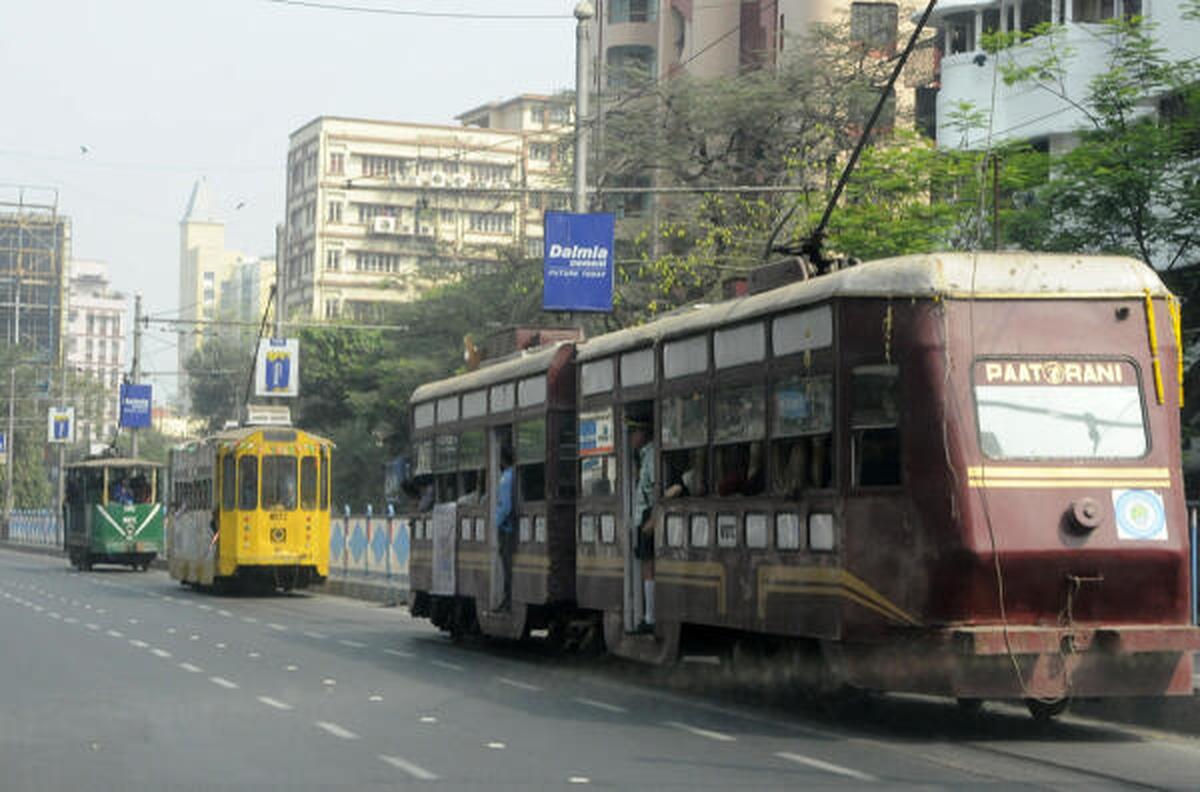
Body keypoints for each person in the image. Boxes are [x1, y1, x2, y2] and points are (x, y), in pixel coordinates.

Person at [630, 419, 656, 632]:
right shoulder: (643, 456)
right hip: (642, 517)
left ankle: (650, 617)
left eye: (634, 432)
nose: (631, 438)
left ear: (643, 433)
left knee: (649, 567)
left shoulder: (652, 455)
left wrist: (654, 518)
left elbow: (657, 487)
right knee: (645, 565)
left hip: (648, 515)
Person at [494, 445, 516, 612]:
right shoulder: (516, 474)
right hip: (514, 528)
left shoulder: (506, 478)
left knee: (507, 566)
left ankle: (507, 601)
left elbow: (505, 507)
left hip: (507, 530)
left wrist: (494, 523)